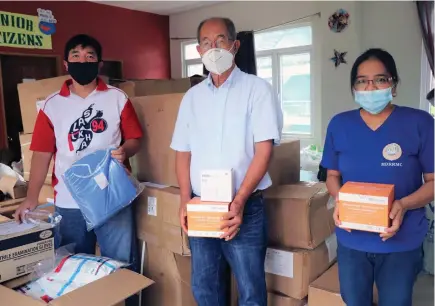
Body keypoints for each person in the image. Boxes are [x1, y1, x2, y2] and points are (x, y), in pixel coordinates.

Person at [170, 17, 282, 306]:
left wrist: (240, 201)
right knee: (206, 287)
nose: (213, 48)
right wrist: (184, 199)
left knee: (250, 290)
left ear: (235, 45)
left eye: (220, 40)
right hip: (201, 205)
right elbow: (182, 152)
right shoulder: (192, 98)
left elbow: (264, 150)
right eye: (206, 43)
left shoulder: (257, 90)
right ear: (198, 50)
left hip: (244, 204)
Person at [15, 34, 143, 267]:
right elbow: (42, 154)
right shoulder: (51, 105)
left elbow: (134, 138)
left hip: (112, 196)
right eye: (76, 56)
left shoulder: (117, 98)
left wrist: (126, 150)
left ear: (99, 63)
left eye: (89, 56)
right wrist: (31, 198)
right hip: (69, 200)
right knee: (72, 265)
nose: (83, 61)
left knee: (120, 264)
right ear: (66, 63)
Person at [321, 48, 434, 306]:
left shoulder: (420, 122)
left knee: (396, 301)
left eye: (380, 79)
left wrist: (403, 205)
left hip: (401, 241)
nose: (370, 87)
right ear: (354, 88)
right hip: (352, 238)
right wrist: (340, 201)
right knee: (354, 300)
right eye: (362, 81)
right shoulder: (339, 125)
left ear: (393, 85)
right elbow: (332, 176)